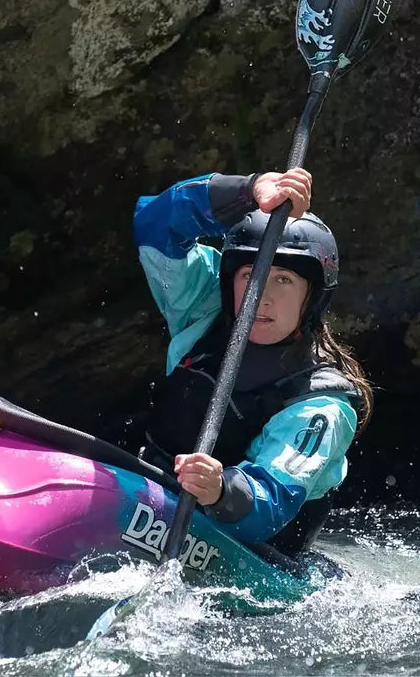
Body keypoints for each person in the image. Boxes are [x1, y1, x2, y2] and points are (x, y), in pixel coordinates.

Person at [133, 168, 373, 553]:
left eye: (284, 279)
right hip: (152, 497)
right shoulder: (203, 308)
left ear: (313, 296)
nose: (262, 296)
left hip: (254, 551)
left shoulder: (320, 405)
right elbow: (155, 224)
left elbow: (274, 498)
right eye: (250, 275)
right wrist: (247, 191)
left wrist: (220, 490)